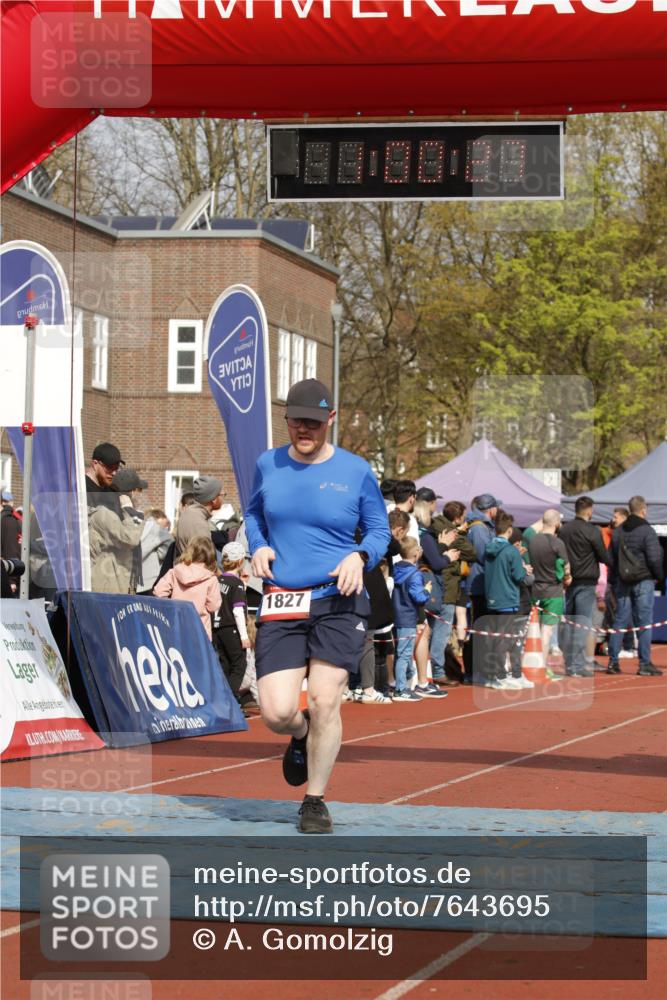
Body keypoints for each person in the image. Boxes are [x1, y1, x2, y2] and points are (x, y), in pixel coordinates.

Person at [246, 378, 389, 835]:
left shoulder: (356, 470)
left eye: (311, 421)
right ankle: (300, 734)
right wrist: (258, 544)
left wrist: (359, 555)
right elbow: (252, 514)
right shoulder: (267, 464)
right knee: (276, 713)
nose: (302, 430)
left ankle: (314, 799)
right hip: (283, 600)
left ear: (330, 419)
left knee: (327, 699)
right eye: (294, 421)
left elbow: (379, 531)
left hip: (337, 601)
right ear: (285, 421)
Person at [607, 495, 664, 677]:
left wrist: (615, 579)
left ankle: (613, 662)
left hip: (623, 582)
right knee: (643, 623)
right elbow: (655, 558)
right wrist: (659, 577)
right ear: (644, 510)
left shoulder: (619, 531)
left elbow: (611, 558)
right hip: (643, 580)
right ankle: (644, 663)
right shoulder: (647, 531)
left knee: (620, 621)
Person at [559, 497, 610, 677]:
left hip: (569, 580)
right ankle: (577, 665)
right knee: (582, 623)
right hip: (586, 581)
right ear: (589, 511)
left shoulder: (565, 529)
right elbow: (603, 555)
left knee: (570, 622)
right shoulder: (592, 530)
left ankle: (569, 663)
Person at [484, 512, 534, 689]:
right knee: (504, 639)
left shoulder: (489, 547)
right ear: (510, 530)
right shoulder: (511, 551)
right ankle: (498, 676)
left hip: (492, 598)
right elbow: (519, 576)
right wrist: (524, 568)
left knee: (498, 638)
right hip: (507, 600)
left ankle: (501, 674)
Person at [462, 493, 501, 684]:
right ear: (491, 509)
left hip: (479, 583)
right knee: (479, 629)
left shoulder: (480, 526)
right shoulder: (479, 529)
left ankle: (475, 671)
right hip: (478, 584)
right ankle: (474, 672)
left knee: (479, 629)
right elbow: (484, 555)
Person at [154, 536, 222, 640]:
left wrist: (171, 606)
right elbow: (213, 607)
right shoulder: (211, 579)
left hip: (175, 625)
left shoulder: (175, 571)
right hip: (199, 630)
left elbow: (158, 591)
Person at [392, 537, 432, 702]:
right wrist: (427, 590)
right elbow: (418, 597)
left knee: (403, 653)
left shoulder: (395, 569)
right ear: (416, 553)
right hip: (408, 617)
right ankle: (401, 689)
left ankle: (406, 682)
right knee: (404, 654)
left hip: (397, 615)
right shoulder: (415, 574)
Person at [528, 509, 571, 662]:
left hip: (535, 589)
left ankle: (531, 664)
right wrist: (567, 578)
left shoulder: (532, 541)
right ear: (557, 523)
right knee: (546, 631)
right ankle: (541, 666)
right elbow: (566, 568)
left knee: (534, 630)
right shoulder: (558, 543)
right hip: (553, 592)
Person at [88, 478, 145, 594]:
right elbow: (130, 538)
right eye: (134, 491)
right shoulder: (103, 515)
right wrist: (130, 510)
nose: (137, 496)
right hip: (108, 586)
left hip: (122, 584)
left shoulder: (121, 518)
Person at [212, 540, 251, 706]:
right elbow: (237, 610)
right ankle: (231, 700)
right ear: (241, 561)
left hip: (217, 629)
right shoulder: (236, 584)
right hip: (232, 629)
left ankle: (224, 700)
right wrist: (244, 636)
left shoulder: (218, 581)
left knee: (224, 665)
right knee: (239, 664)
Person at [175, 475, 224, 556]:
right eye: (222, 495)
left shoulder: (191, 514)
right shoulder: (198, 523)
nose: (223, 498)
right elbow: (203, 560)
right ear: (214, 499)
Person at [140, 508, 173, 595]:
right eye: (165, 525)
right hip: (150, 581)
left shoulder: (137, 526)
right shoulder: (157, 529)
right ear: (158, 517)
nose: (166, 528)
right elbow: (168, 550)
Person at [85, 442, 124, 510]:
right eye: (109, 468)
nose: (114, 473)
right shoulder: (82, 488)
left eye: (116, 468)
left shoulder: (112, 490)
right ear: (95, 464)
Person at [1, 489, 21, 561]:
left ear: (2, 503)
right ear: (12, 503)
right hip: (17, 559)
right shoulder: (18, 518)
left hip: (3, 560)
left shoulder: (2, 517)